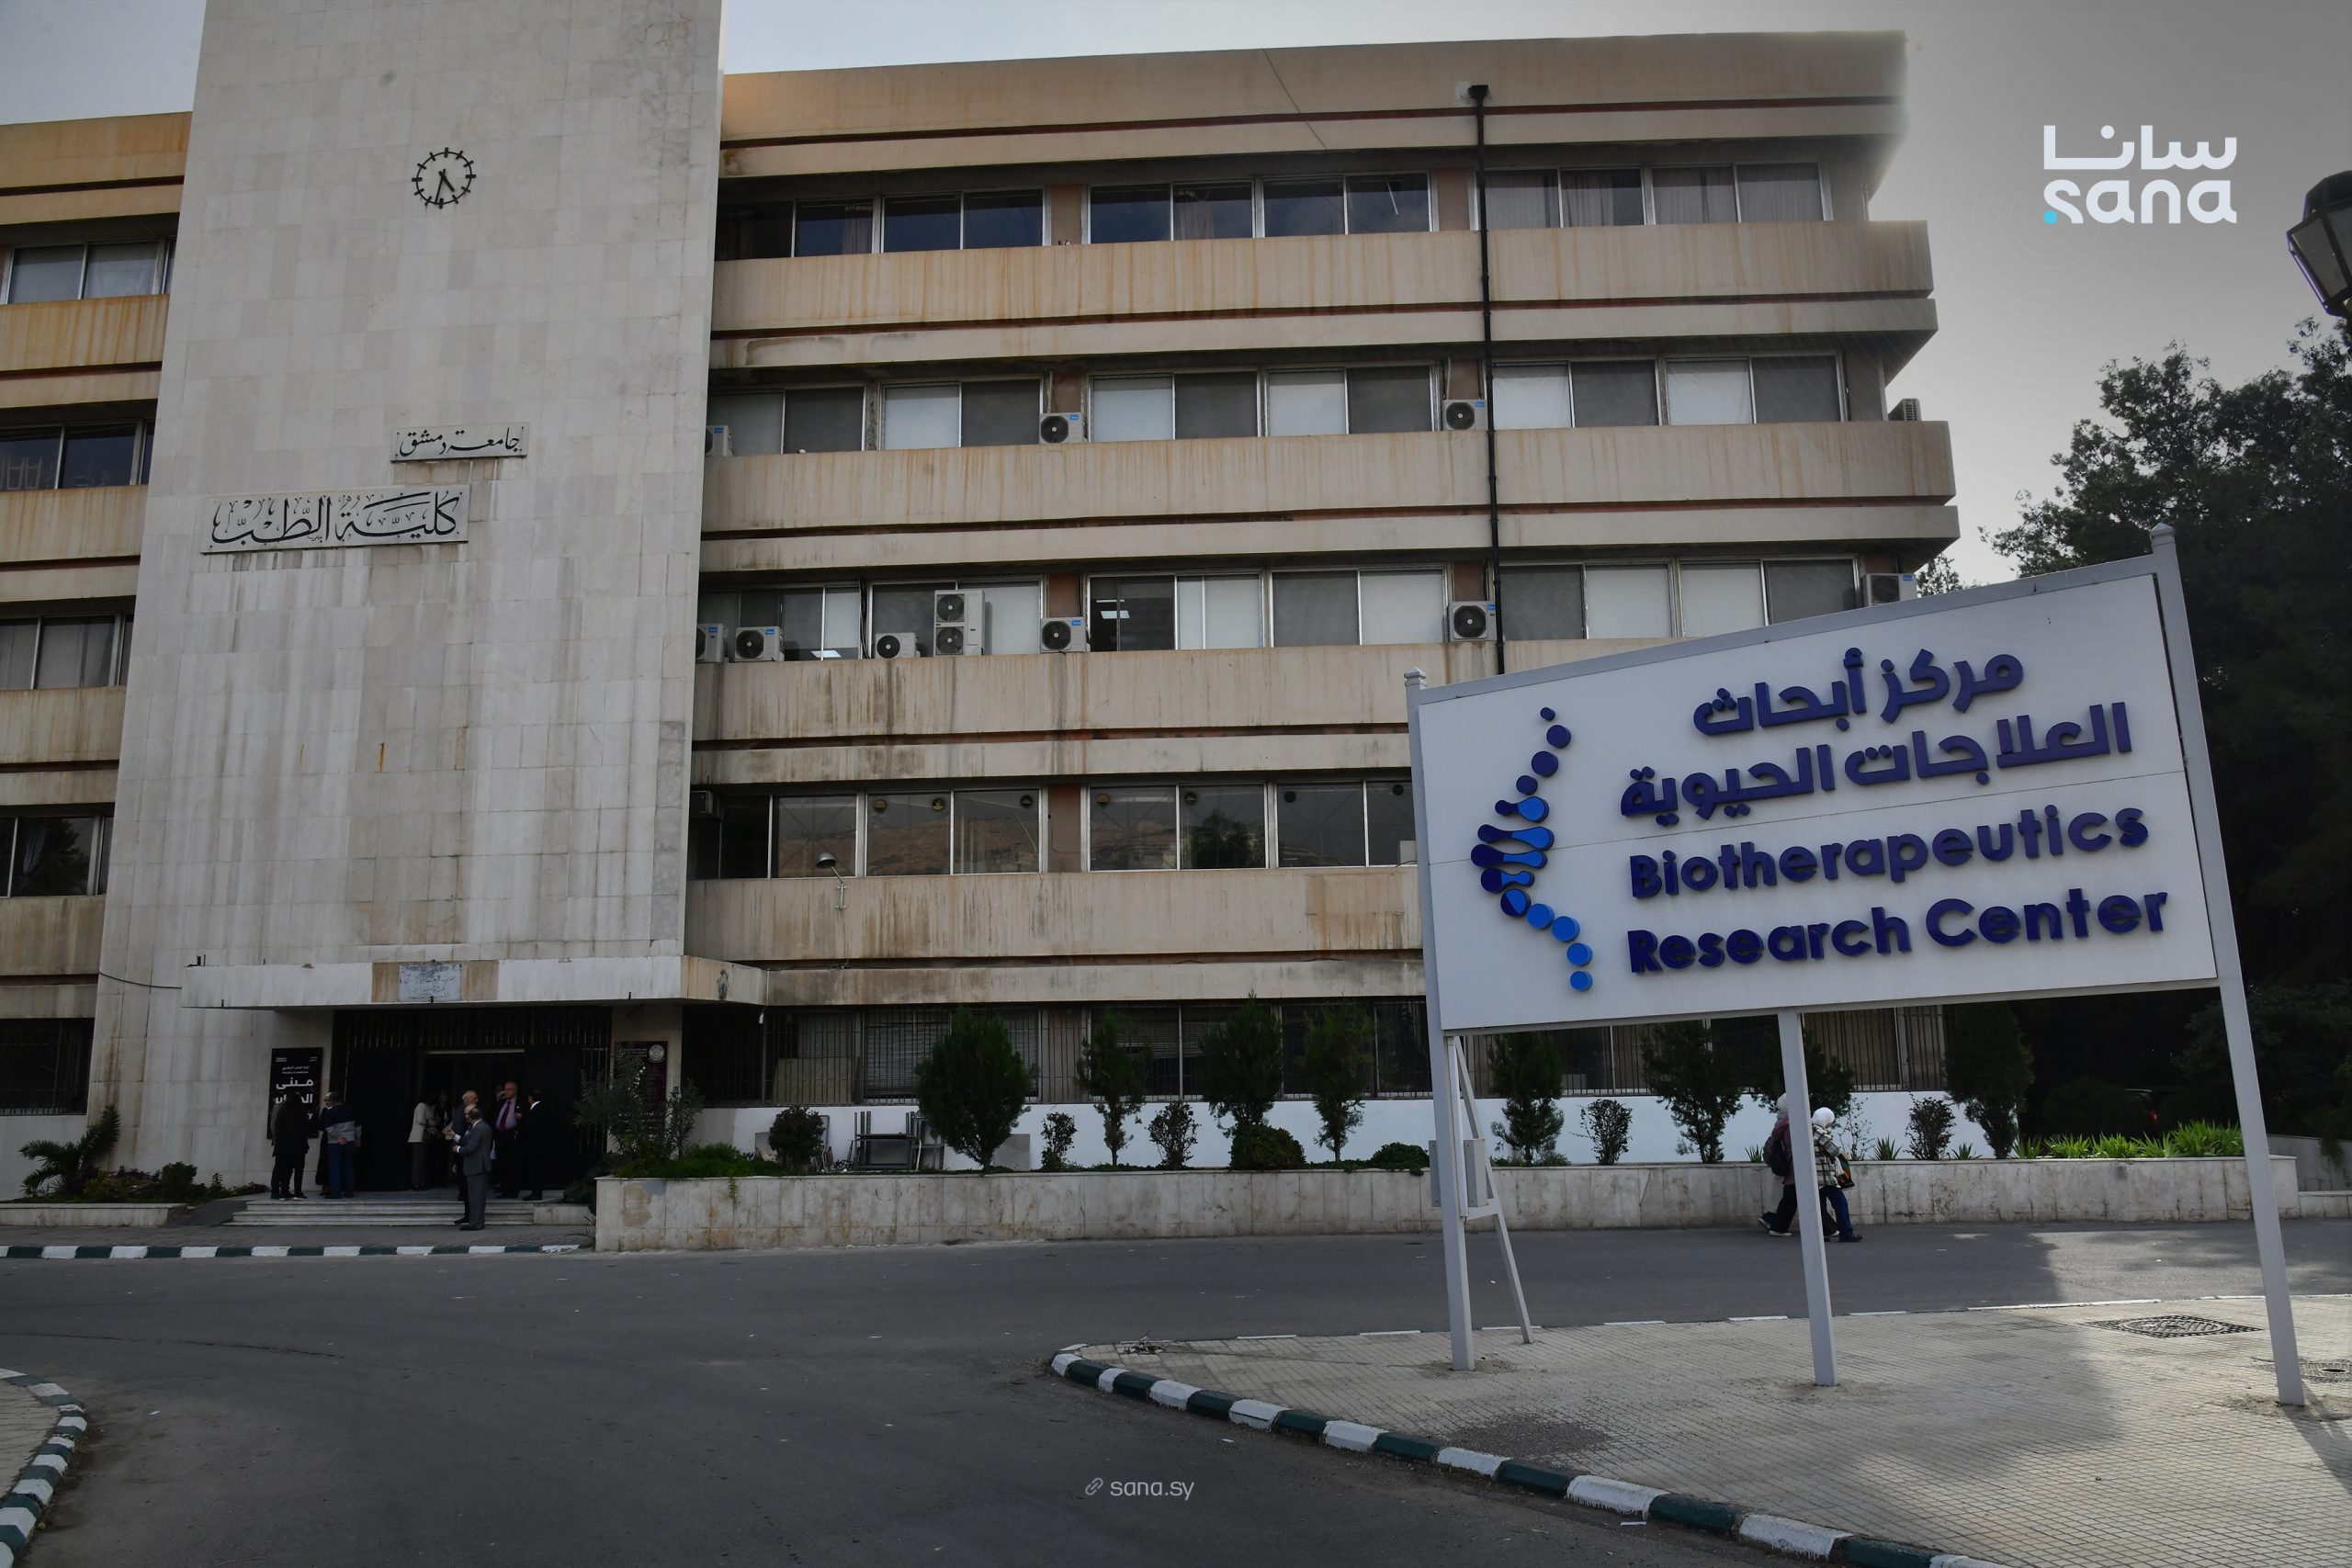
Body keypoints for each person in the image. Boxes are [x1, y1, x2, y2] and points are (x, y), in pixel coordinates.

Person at [1811, 1106, 1860, 1243]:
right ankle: (1846, 1233)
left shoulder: (1808, 1130)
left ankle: (1820, 1234)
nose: (1830, 1124)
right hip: (1825, 1176)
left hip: (1814, 1175)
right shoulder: (1819, 1131)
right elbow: (1834, 1150)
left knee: (1819, 1206)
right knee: (1840, 1203)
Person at [318, 1090, 363, 1199]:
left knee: (334, 1167)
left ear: (333, 1101)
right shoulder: (352, 1110)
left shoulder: (330, 1112)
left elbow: (329, 1128)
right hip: (350, 1141)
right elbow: (357, 1126)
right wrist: (357, 1138)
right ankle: (349, 1191)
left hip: (334, 1143)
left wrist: (338, 1137)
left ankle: (335, 1193)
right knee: (348, 1166)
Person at [456, 1105, 492, 1230]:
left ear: (471, 1118)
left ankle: (475, 1223)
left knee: (475, 1197)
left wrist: (458, 1149)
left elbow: (470, 1147)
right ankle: (478, 1221)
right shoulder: (484, 1126)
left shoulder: (477, 1129)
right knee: (479, 1196)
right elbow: (469, 1141)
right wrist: (455, 1136)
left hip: (476, 1166)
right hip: (481, 1165)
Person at [268, 1094, 312, 1200]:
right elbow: (305, 1129)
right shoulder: (301, 1111)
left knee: (280, 1168)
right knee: (296, 1169)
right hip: (298, 1146)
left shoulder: (282, 1111)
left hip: (283, 1145)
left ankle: (276, 1191)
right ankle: (294, 1191)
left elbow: (274, 1127)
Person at [520, 1086, 554, 1202]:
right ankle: (536, 1192)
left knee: (535, 1169)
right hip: (538, 1144)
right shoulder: (543, 1108)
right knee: (536, 1169)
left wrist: (520, 1134)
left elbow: (531, 1126)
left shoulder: (537, 1109)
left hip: (534, 1145)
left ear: (531, 1097)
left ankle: (536, 1193)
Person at [492, 1080, 525, 1199]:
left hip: (512, 1135)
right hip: (500, 1135)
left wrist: (522, 1117)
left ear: (515, 1090)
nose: (506, 1092)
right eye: (505, 1089)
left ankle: (513, 1190)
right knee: (501, 1162)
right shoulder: (502, 1102)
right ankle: (504, 1188)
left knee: (512, 1163)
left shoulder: (520, 1102)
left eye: (509, 1089)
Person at [408, 1091, 436, 1190]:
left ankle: (420, 1182)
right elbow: (420, 1120)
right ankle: (415, 1183)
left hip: (423, 1137)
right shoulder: (421, 1105)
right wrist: (431, 1121)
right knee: (418, 1161)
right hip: (418, 1137)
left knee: (421, 1161)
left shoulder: (427, 1106)